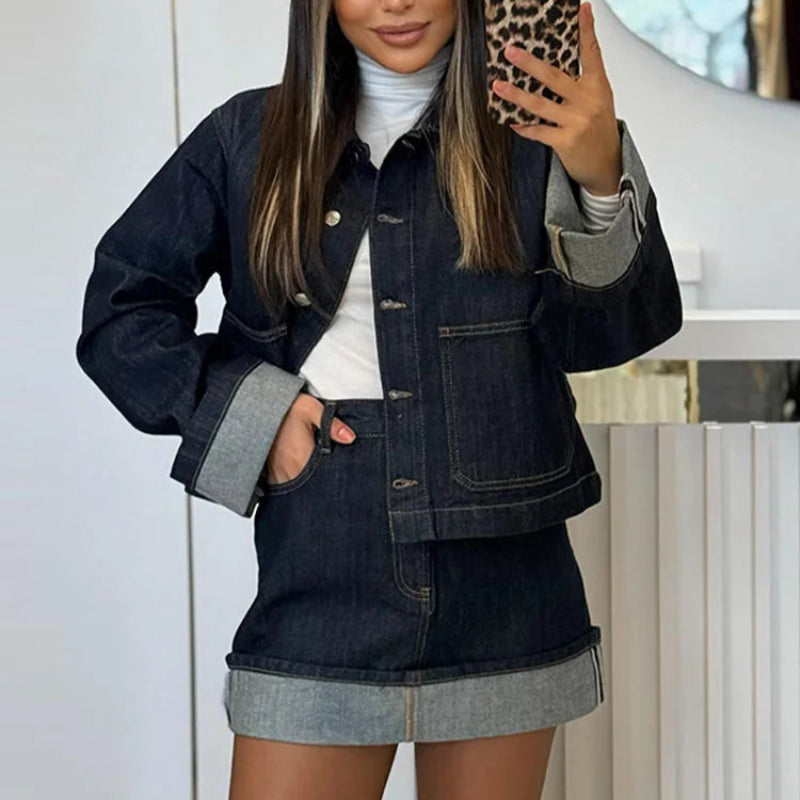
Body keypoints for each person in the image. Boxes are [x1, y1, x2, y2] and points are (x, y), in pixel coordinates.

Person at [76, 1, 683, 798]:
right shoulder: (246, 138)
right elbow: (122, 313)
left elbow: (608, 339)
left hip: (507, 574)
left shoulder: (534, 135)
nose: (394, 3)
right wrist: (256, 417)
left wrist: (601, 179)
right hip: (323, 553)